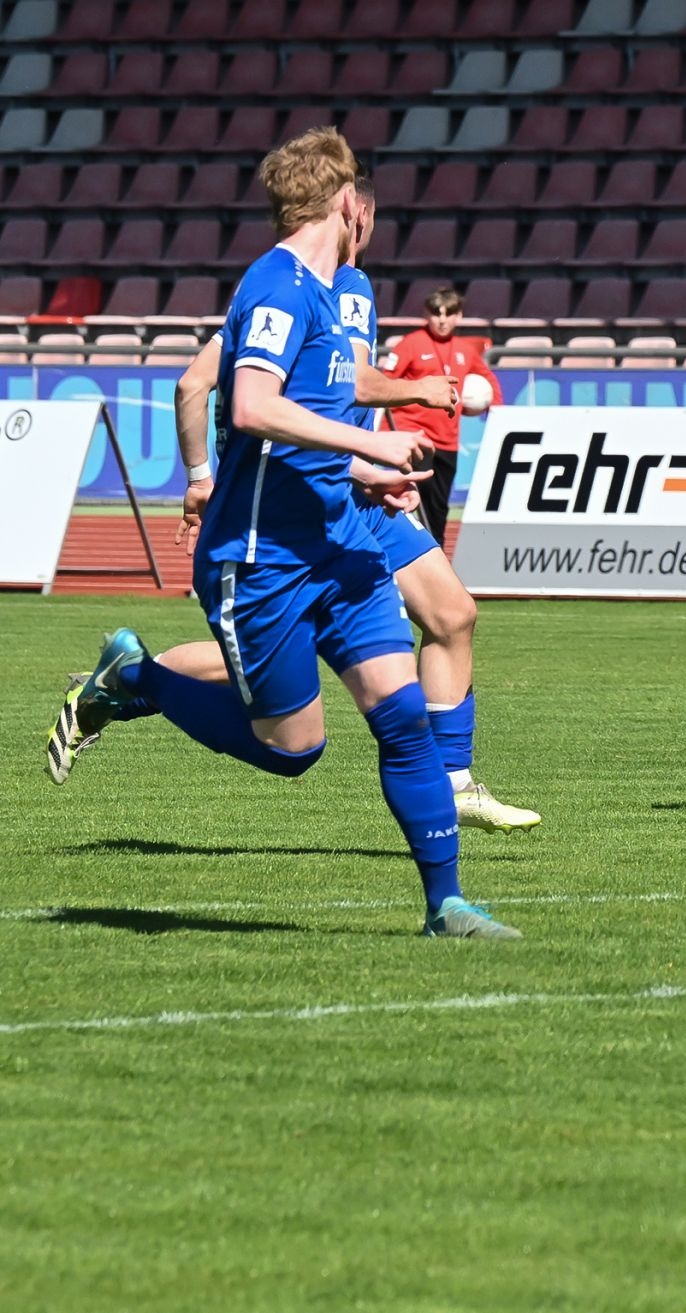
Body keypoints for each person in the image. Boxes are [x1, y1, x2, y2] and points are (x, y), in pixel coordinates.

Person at [50, 127, 520, 938]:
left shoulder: (334, 289)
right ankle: (138, 678)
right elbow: (252, 405)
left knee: (402, 716)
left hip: (340, 542)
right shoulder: (276, 286)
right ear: (344, 202)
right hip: (262, 556)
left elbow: (332, 390)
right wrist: (375, 446)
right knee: (294, 748)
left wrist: (366, 464)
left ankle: (445, 904)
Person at [381, 284, 501, 543]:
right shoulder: (410, 344)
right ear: (427, 314)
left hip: (447, 440)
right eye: (437, 313)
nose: (442, 320)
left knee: (438, 508)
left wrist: (497, 411)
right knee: (412, 502)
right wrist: (383, 428)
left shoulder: (466, 350)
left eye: (449, 314)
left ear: (459, 316)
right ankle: (404, 555)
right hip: (413, 437)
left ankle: (435, 556)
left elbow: (488, 379)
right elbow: (385, 383)